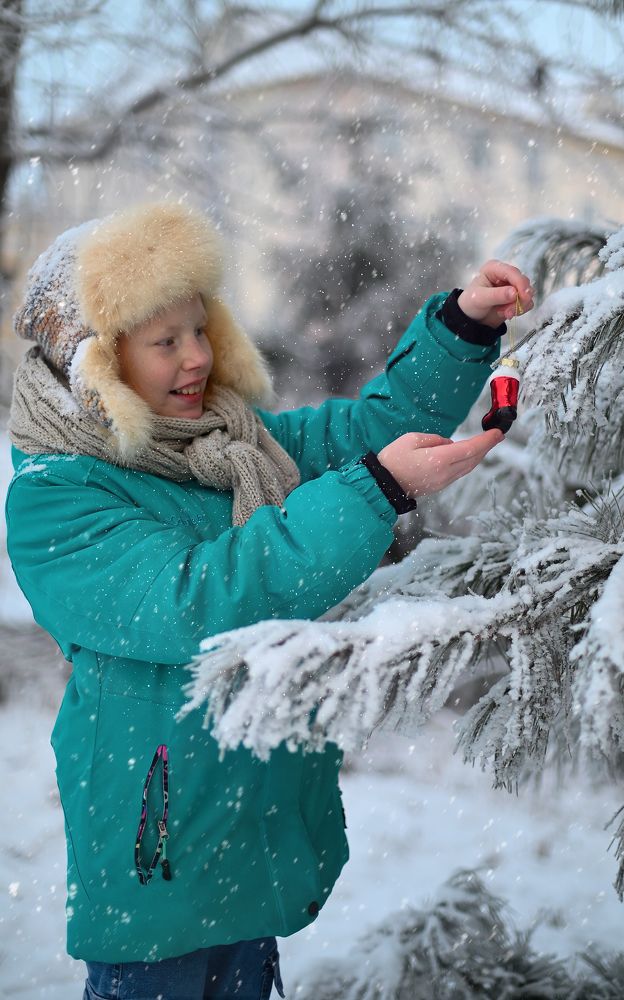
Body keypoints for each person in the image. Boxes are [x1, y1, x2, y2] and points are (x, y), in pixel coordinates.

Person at [5, 201, 533, 1000]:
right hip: (161, 849)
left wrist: (459, 329)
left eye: (199, 328)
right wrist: (377, 490)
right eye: (163, 341)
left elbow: (369, 427)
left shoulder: (227, 446)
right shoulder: (58, 501)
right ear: (96, 366)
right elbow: (202, 600)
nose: (195, 358)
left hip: (251, 827)